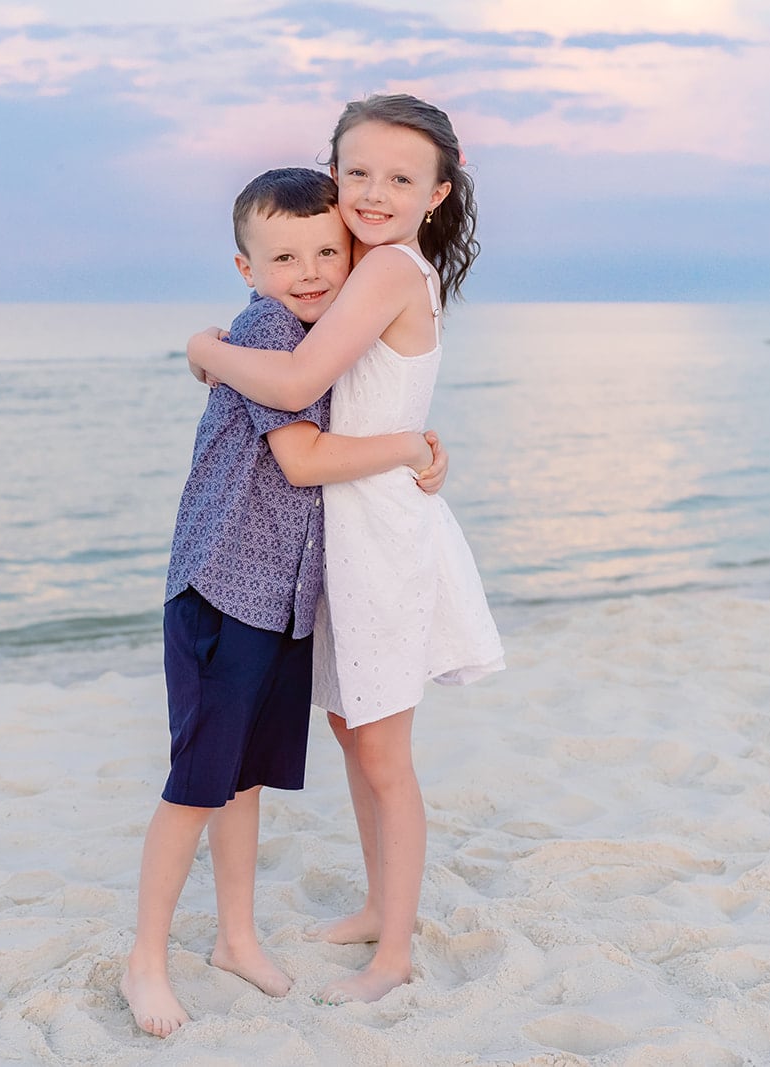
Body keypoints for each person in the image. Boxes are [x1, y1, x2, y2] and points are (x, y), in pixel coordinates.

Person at [186, 94, 505, 1007]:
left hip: (375, 529)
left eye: (400, 178)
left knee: (381, 753)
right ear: (332, 173)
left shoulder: (392, 271)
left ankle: (394, 952)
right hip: (345, 519)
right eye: (356, 172)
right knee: (352, 728)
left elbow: (291, 379)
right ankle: (378, 906)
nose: (372, 192)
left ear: (436, 194)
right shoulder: (357, 265)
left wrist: (205, 344)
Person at [122, 167, 452, 1038]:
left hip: (279, 598)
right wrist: (409, 444)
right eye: (284, 256)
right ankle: (144, 960)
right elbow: (303, 460)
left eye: (326, 253)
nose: (308, 271)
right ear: (246, 268)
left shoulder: (320, 334)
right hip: (223, 586)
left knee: (242, 777)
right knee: (198, 783)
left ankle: (235, 936)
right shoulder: (271, 329)